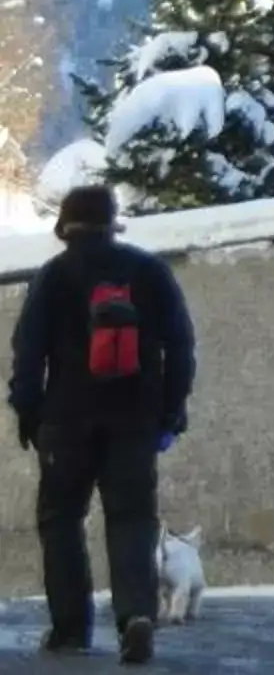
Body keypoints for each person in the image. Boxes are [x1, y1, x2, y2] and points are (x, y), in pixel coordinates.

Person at [7, 183, 196, 664]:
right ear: (113, 223)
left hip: (66, 421)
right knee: (132, 517)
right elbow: (181, 347)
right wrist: (171, 410)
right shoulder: (149, 272)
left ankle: (70, 629)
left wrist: (28, 413)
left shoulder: (52, 276)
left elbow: (27, 353)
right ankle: (136, 615)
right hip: (135, 419)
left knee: (61, 520)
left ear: (65, 228)